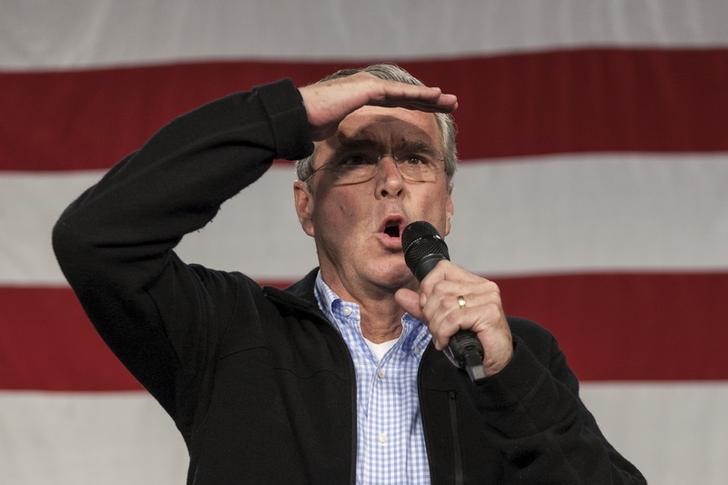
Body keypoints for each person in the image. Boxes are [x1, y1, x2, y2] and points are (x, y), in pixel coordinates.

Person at [53, 64, 645, 484]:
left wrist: (508, 379)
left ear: (447, 205)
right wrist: (289, 114)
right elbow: (96, 239)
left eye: (415, 158)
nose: (392, 180)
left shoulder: (517, 356)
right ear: (305, 206)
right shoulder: (228, 334)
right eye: (358, 158)